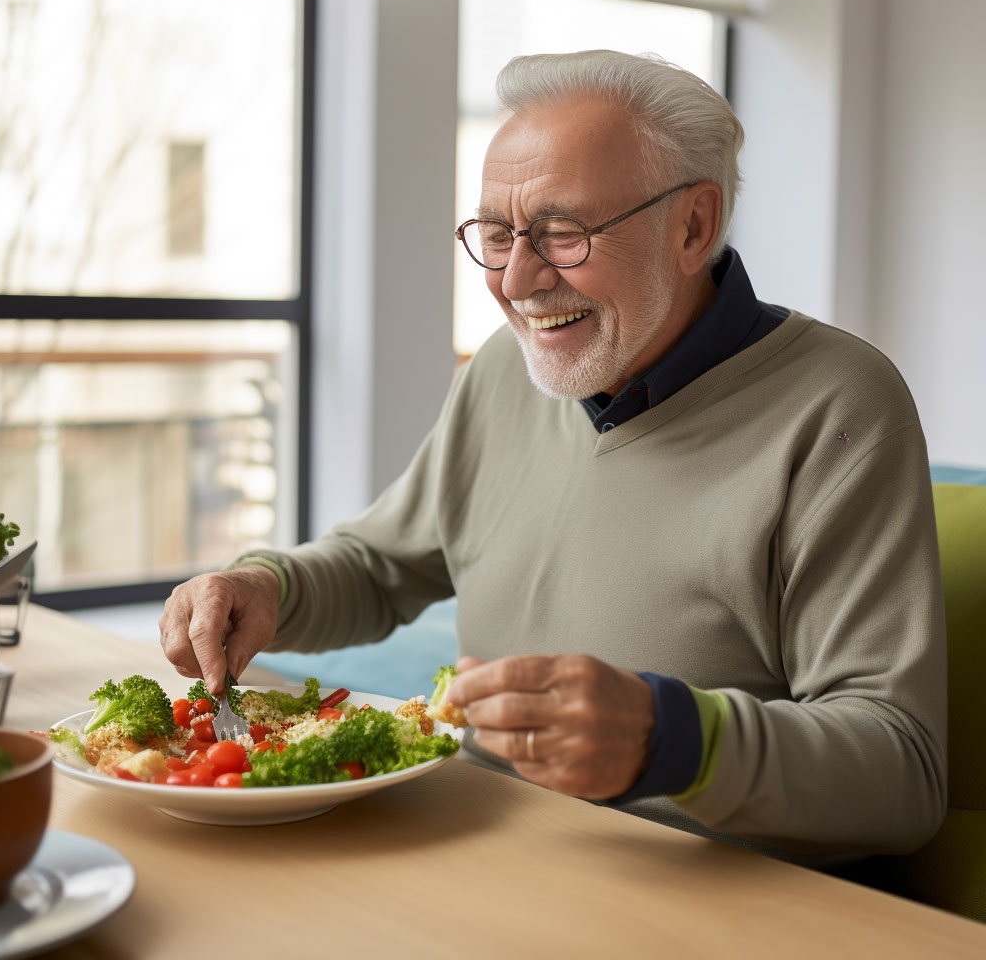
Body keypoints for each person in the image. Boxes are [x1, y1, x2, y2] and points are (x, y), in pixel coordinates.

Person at [159, 50, 946, 866]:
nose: (517, 280)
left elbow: (902, 771)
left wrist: (671, 738)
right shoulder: (507, 369)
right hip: (481, 856)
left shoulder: (841, 404)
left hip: (712, 907)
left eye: (563, 234)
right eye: (496, 236)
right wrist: (263, 587)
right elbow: (379, 566)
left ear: (694, 226)